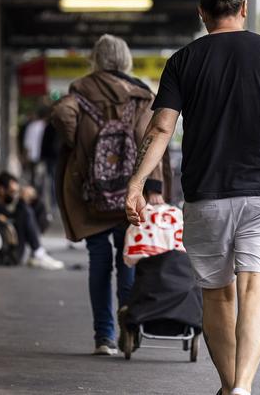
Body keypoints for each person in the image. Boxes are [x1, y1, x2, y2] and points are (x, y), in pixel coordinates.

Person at [125, 0, 260, 395]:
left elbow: (162, 126)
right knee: (255, 291)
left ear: (202, 13)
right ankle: (243, 388)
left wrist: (137, 183)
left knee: (218, 297)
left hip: (206, 196)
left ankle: (229, 383)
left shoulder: (183, 60)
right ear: (244, 8)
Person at [51, 34, 167, 356]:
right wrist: (154, 188)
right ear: (126, 59)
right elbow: (151, 139)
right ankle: (128, 326)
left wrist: (82, 146)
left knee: (99, 261)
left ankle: (103, 336)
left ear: (96, 59)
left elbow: (61, 115)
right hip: (132, 193)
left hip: (94, 194)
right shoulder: (142, 96)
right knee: (128, 258)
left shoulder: (81, 90)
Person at [0, 172, 64, 270]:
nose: (14, 195)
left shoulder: (7, 204)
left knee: (34, 207)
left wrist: (33, 197)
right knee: (24, 209)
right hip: (12, 253)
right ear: (1, 190)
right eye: (12, 191)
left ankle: (37, 252)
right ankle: (38, 253)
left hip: (18, 248)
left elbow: (34, 213)